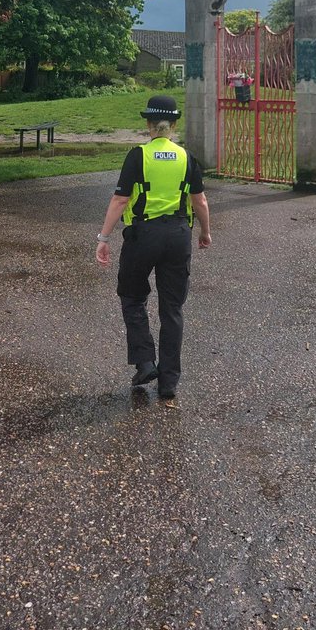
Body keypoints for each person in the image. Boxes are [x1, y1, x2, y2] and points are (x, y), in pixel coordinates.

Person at [95, 94, 211, 402]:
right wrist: (205, 233)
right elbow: (199, 200)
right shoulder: (188, 158)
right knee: (172, 308)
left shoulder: (138, 156)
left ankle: (146, 362)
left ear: (148, 125)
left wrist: (104, 238)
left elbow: (120, 200)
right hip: (177, 236)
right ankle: (169, 382)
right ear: (173, 125)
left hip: (142, 236)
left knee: (132, 297)